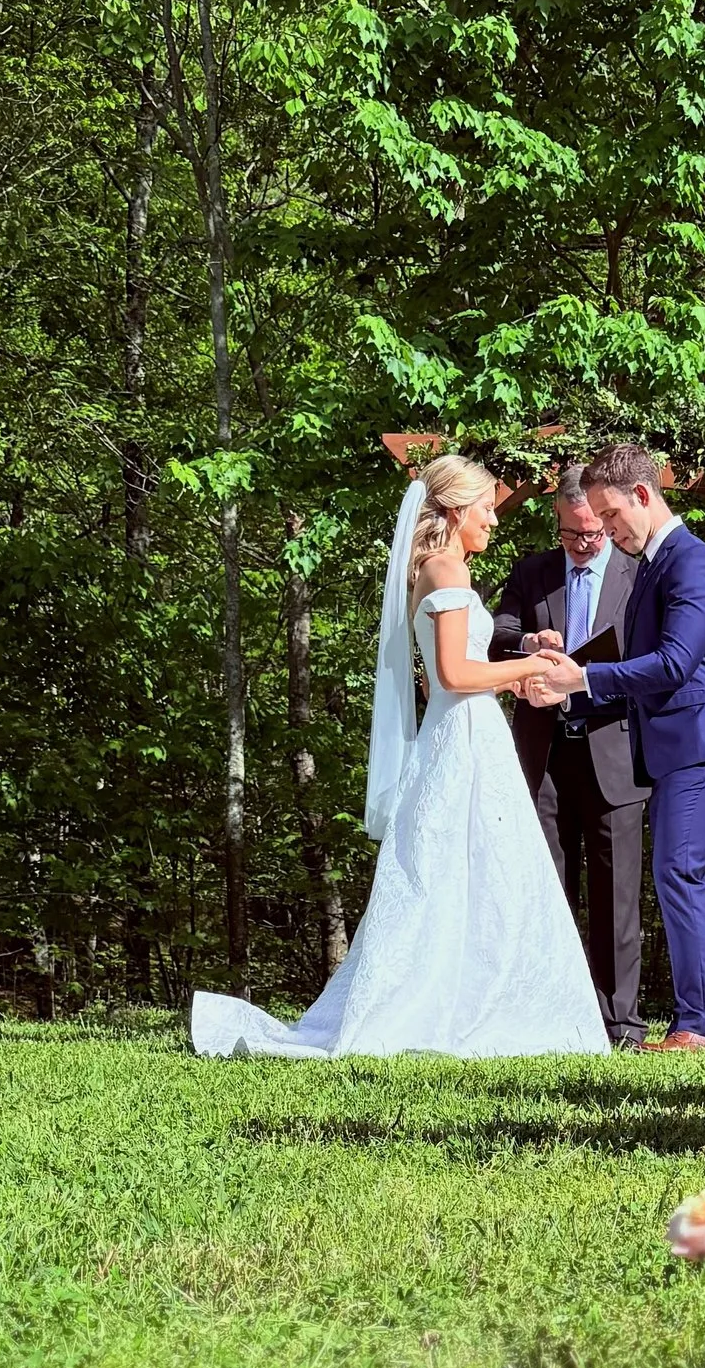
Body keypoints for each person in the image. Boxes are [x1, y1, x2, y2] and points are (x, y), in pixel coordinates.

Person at [191, 455, 607, 1061]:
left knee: (467, 869)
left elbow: (463, 674)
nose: (494, 519)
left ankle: (467, 997)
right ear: (458, 510)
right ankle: (466, 1006)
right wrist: (534, 666)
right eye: (487, 508)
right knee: (466, 869)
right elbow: (454, 674)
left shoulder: (439, 568)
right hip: (462, 736)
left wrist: (513, 673)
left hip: (464, 730)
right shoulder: (447, 571)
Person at [530, 442, 705, 1049]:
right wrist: (566, 681)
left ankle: (700, 1027)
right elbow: (637, 666)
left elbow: (675, 664)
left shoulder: (692, 563)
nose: (603, 530)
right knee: (680, 873)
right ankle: (697, 1021)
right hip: (675, 748)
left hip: (703, 744)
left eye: (609, 517)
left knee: (680, 871)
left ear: (642, 495)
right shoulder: (659, 564)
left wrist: (582, 678)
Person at [489, 464, 646, 1045]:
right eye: (571, 534)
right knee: (546, 886)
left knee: (616, 894)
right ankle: (550, 1013)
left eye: (593, 534)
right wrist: (530, 642)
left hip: (615, 749)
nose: (582, 545)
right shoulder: (532, 572)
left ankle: (619, 1021)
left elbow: (653, 657)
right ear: (557, 520)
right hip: (544, 751)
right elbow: (494, 632)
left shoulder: (638, 576)